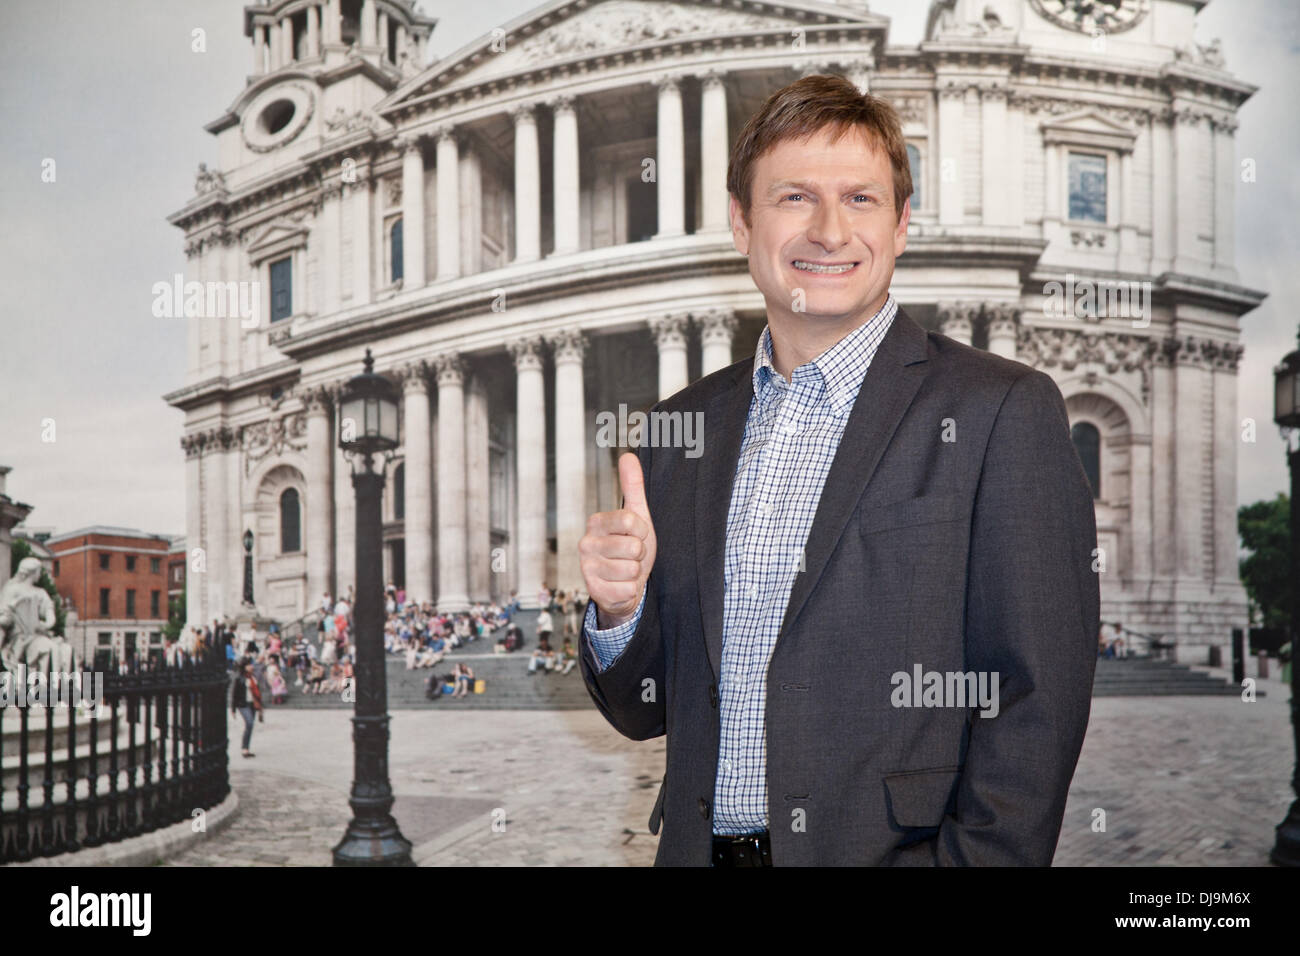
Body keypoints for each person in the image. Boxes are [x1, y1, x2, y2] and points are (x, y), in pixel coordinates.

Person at [577, 75, 1099, 867]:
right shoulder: (673, 435)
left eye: (860, 199)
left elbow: (1037, 699)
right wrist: (619, 615)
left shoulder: (1003, 410)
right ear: (742, 223)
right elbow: (643, 712)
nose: (828, 231)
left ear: (901, 225)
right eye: (793, 198)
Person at [230, 659, 263, 757]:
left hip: (253, 704)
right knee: (249, 722)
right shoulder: (239, 678)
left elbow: (258, 692)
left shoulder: (253, 677)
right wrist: (233, 709)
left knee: (249, 726)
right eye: (249, 665)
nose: (251, 666)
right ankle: (244, 748)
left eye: (251, 665)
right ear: (244, 667)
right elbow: (234, 694)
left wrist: (260, 706)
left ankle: (246, 748)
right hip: (243, 704)